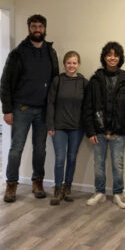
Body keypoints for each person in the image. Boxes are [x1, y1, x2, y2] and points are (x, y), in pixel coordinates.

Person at [0, 14, 59, 203]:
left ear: (45, 29)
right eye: (34, 26)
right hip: (21, 109)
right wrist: (7, 109)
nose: (37, 29)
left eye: (40, 26)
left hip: (43, 110)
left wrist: (54, 108)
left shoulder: (51, 52)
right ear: (28, 28)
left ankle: (37, 182)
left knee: (40, 149)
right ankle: (11, 185)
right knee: (16, 148)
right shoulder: (18, 53)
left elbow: (55, 81)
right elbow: (6, 83)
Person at [84, 42, 125, 209]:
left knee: (117, 164)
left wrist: (120, 122)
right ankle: (99, 192)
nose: (112, 58)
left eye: (115, 55)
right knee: (98, 163)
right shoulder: (95, 79)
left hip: (118, 132)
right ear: (104, 57)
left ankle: (117, 194)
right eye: (109, 54)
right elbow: (88, 106)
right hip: (98, 131)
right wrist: (91, 130)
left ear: (120, 58)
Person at [46, 51, 88, 206]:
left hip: (77, 128)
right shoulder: (57, 80)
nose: (72, 66)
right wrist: (50, 124)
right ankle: (57, 190)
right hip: (58, 127)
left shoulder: (84, 82)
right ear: (64, 64)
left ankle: (67, 188)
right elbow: (50, 103)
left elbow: (88, 106)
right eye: (69, 63)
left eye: (74, 63)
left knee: (71, 158)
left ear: (79, 64)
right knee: (60, 159)